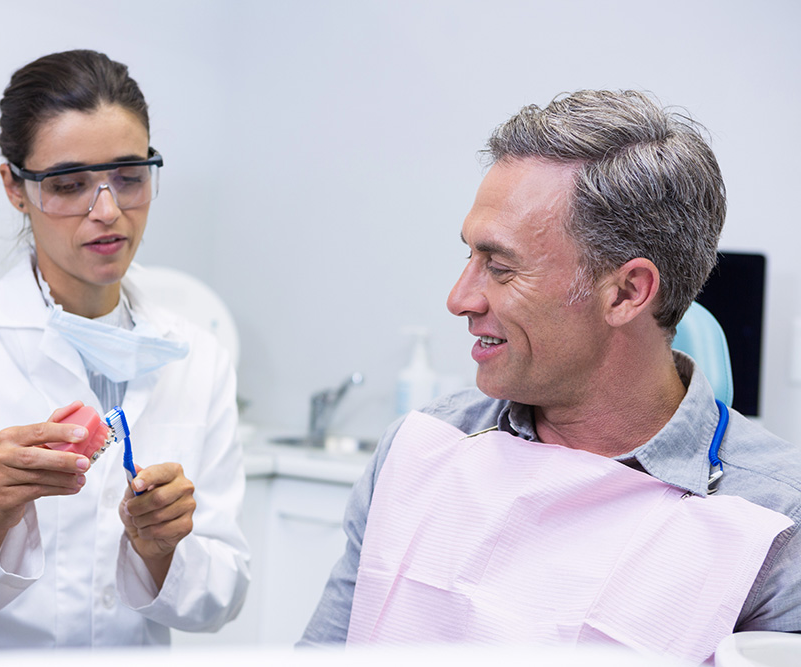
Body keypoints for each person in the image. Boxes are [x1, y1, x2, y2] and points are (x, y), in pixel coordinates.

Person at [299, 90, 801, 661]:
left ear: (626, 292)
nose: (459, 299)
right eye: (469, 257)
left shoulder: (776, 523)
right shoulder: (422, 450)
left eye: (502, 267)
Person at [0, 50, 249, 652]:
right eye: (68, 184)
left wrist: (161, 550)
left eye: (130, 176)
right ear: (15, 188)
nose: (108, 211)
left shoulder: (196, 356)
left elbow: (223, 598)